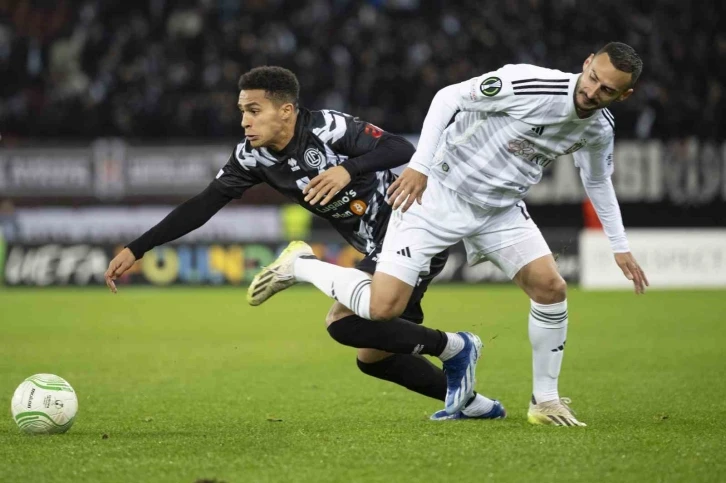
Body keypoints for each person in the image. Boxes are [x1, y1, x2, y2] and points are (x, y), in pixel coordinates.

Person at [248, 43, 650, 426]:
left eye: (607, 89)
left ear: (624, 95)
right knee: (382, 307)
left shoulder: (599, 127)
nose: (593, 91)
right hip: (437, 192)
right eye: (593, 77)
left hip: (499, 209)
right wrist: (420, 165)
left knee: (551, 288)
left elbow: (598, 180)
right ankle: (302, 265)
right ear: (586, 63)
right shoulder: (530, 83)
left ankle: (545, 400)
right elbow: (447, 97)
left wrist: (619, 246)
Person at [104, 66, 504, 420]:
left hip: (410, 227)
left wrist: (348, 169)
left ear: (286, 111)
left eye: (254, 110)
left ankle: (454, 346)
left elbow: (401, 148)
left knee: (343, 323)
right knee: (374, 357)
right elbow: (204, 204)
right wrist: (137, 247)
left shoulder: (326, 128)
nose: (244, 121)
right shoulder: (252, 157)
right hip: (380, 245)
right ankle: (475, 405)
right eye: (242, 111)